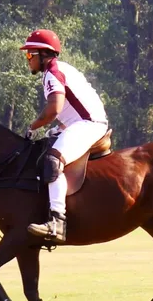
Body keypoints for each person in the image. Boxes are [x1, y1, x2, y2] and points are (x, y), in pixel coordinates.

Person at [20, 29, 109, 243]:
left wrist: (33, 127)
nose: (28, 59)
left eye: (29, 54)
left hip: (89, 124)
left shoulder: (53, 73)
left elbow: (54, 109)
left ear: (43, 54)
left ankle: (57, 222)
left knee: (53, 160)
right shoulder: (59, 69)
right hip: (80, 122)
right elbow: (69, 109)